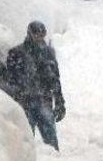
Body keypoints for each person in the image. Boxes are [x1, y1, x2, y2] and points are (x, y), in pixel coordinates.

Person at [5, 21, 65, 151]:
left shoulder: (48, 53)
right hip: (24, 102)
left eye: (43, 35)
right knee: (25, 142)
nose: (40, 38)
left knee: (52, 144)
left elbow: (55, 79)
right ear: (29, 34)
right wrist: (17, 96)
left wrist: (60, 102)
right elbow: (10, 80)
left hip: (44, 101)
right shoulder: (16, 53)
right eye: (37, 34)